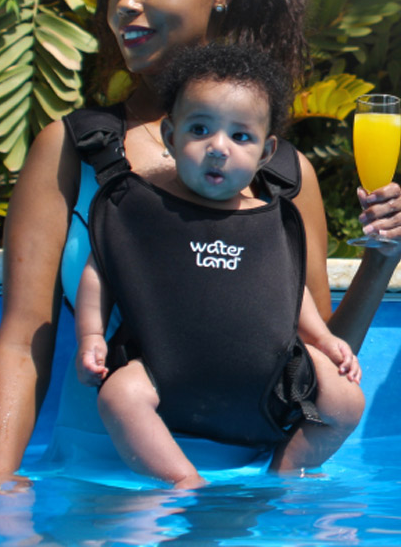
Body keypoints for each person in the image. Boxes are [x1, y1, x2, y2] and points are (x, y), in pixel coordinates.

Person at [0, 0, 401, 492]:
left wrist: (381, 259)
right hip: (98, 490)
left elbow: (316, 358)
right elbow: (26, 343)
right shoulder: (71, 149)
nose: (125, 3)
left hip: (253, 496)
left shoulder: (285, 174)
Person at [75, 43, 364, 489]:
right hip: (163, 369)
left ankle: (286, 478)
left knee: (347, 404)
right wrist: (91, 336)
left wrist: (323, 339)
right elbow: (101, 268)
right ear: (170, 136)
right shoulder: (143, 206)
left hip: (266, 379)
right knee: (119, 396)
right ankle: (184, 482)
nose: (218, 148)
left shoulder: (271, 214)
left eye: (240, 137)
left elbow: (289, 290)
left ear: (267, 152)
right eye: (200, 129)